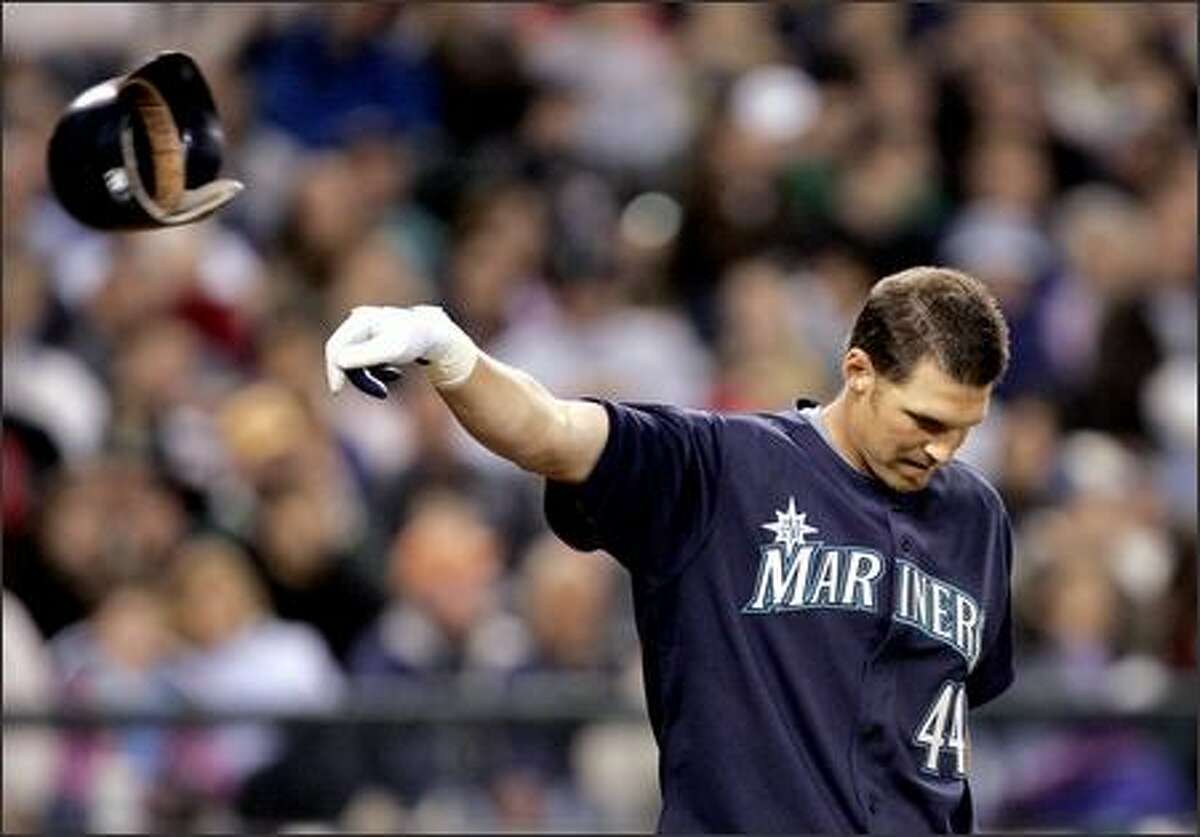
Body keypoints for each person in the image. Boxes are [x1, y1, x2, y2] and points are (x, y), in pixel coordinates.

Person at [324, 265, 1015, 834]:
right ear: (859, 370)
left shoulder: (976, 515)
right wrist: (451, 354)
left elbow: (953, 712)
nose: (942, 449)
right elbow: (554, 431)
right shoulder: (720, 467)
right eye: (925, 419)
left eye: (964, 427)